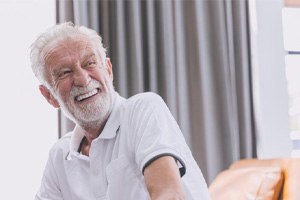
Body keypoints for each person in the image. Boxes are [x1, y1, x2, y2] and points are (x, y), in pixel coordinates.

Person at [31, 22, 210, 200]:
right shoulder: (60, 155)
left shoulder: (143, 109)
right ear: (49, 96)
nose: (83, 79)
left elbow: (170, 195)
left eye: (90, 63)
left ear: (108, 70)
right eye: (64, 73)